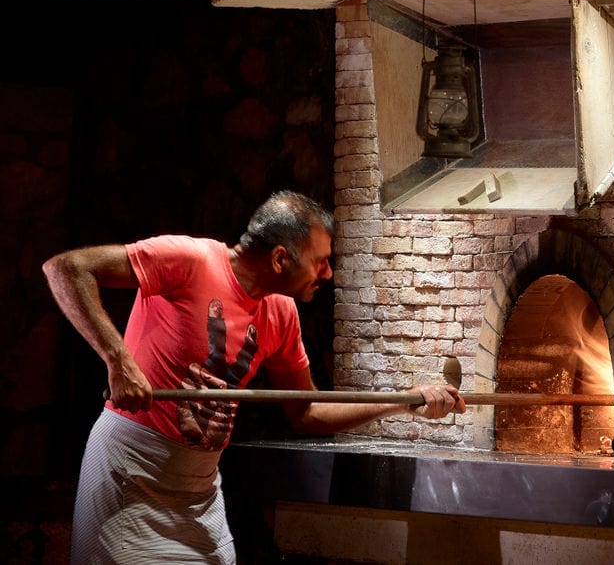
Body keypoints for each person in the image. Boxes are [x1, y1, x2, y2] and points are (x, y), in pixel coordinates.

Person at [43, 190, 465, 564]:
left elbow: (308, 411)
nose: (328, 273)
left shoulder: (280, 313)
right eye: (321, 261)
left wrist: (406, 400)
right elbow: (66, 268)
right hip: (130, 472)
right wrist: (119, 359)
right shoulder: (189, 259)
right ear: (281, 257)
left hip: (199, 489)